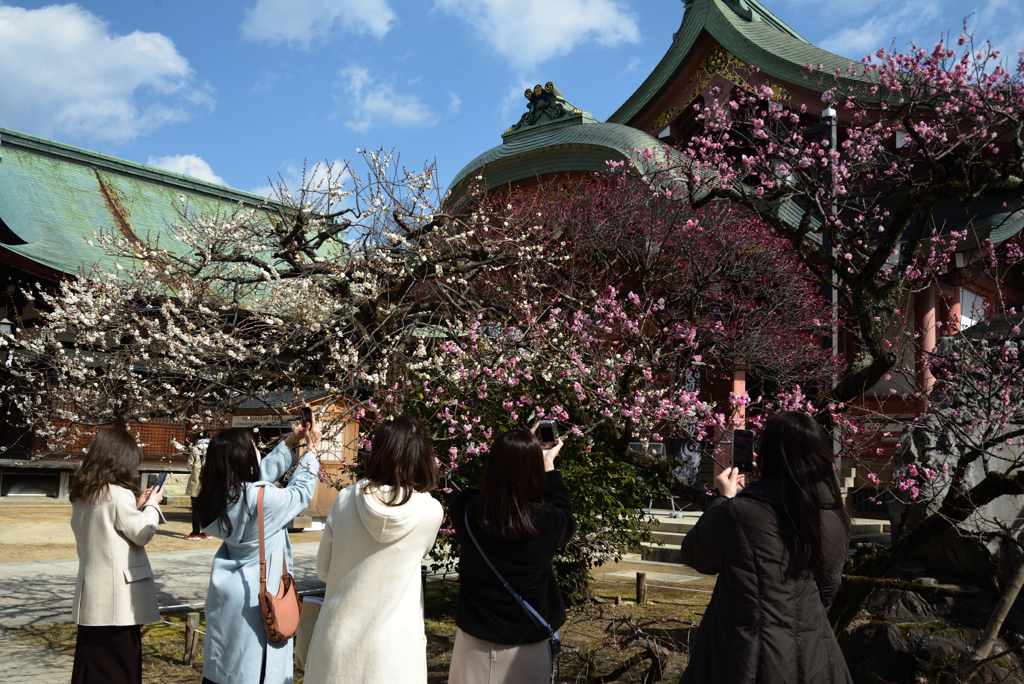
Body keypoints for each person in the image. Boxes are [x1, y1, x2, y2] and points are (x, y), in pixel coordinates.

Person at [679, 411, 853, 684]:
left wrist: (724, 499)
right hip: (816, 654)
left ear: (768, 453)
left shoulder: (739, 512)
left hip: (743, 656)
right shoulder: (834, 516)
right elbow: (828, 589)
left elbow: (696, 554)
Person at [302, 416, 443, 684]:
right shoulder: (430, 511)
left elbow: (323, 570)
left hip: (337, 645)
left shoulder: (345, 498)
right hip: (395, 654)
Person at [448, 428, 577, 684]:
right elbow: (564, 513)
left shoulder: (466, 510)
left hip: (472, 643)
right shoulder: (547, 521)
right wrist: (548, 466)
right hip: (526, 649)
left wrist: (510, 449)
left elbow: (475, 493)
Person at [195, 419, 320, 684]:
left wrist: (290, 442)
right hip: (260, 597)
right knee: (256, 669)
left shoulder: (215, 497)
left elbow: (255, 478)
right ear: (245, 457)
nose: (257, 450)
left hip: (227, 595)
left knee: (227, 664)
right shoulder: (262, 501)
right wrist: (311, 452)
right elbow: (300, 493)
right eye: (254, 446)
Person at [69, 428, 165, 684]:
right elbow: (142, 533)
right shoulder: (119, 494)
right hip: (119, 598)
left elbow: (106, 528)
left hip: (91, 596)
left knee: (91, 663)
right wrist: (153, 504)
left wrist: (136, 506)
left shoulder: (82, 494)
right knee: (119, 666)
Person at [184, 437, 212, 540]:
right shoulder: (212, 449)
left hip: (196, 482)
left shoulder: (195, 449)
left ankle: (195, 532)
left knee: (196, 507)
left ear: (199, 439)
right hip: (208, 482)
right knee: (206, 508)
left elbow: (189, 465)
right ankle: (206, 531)